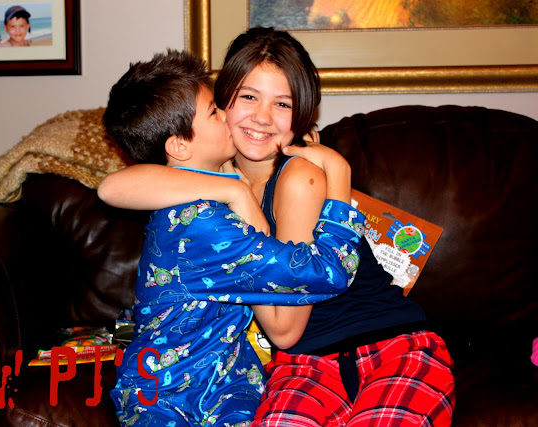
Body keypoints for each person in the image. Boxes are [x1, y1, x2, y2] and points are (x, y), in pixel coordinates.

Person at [100, 27, 456, 426]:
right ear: (223, 101)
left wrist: (338, 171)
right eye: (248, 97)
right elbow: (112, 187)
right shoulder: (214, 183)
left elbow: (284, 328)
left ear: (301, 114)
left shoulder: (298, 178)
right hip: (303, 367)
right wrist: (235, 191)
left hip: (390, 344)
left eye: (282, 104)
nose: (262, 117)